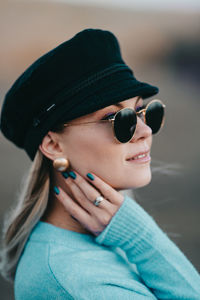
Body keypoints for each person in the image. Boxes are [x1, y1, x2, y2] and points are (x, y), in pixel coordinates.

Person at [0, 28, 200, 300]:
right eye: (118, 118)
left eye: (144, 112)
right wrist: (141, 239)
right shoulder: (81, 283)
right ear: (53, 145)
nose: (145, 131)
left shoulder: (95, 242)